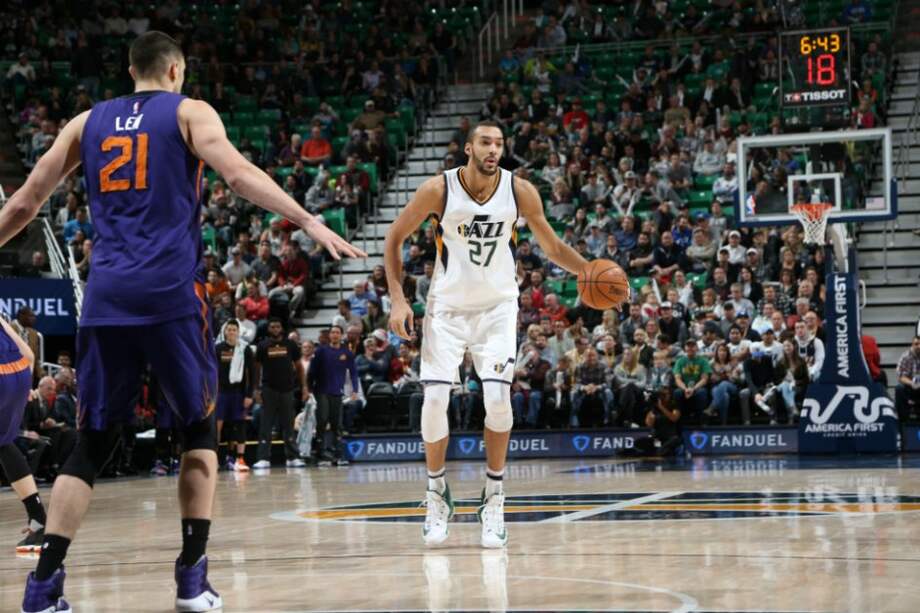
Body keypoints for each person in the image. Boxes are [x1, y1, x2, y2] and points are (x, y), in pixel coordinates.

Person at [0, 32, 364, 613]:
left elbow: (23, 204)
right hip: (171, 293)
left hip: (106, 297)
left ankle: (43, 587)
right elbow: (238, 175)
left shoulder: (85, 123)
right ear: (176, 71)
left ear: (131, 71)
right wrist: (308, 221)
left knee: (92, 442)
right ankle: (192, 581)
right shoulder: (190, 112)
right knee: (198, 430)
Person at [383, 120, 617, 549]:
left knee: (497, 399)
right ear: (468, 149)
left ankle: (493, 495)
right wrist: (398, 300)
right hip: (446, 309)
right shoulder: (438, 190)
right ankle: (437, 492)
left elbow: (552, 248)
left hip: (497, 308)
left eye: (499, 144)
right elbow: (394, 237)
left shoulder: (519, 190)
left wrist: (589, 272)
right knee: (433, 401)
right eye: (485, 143)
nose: (493, 149)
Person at [0, 316, 48, 554]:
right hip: (18, 373)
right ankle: (38, 520)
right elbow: (28, 354)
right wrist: (23, 384)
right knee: (3, 444)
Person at [253, 318, 307, 470]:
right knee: (266, 424)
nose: (275, 329)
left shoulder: (290, 345)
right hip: (268, 389)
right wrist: (256, 389)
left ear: (282, 328)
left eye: (278, 326)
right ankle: (263, 458)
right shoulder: (262, 345)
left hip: (287, 389)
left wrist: (304, 387)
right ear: (268, 329)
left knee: (288, 424)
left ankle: (292, 457)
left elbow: (299, 367)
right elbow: (256, 369)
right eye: (272, 327)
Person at [306, 325, 359, 465]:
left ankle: (338, 454)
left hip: (337, 392)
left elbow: (353, 372)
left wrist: (355, 390)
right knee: (322, 421)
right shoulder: (321, 351)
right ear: (329, 335)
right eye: (333, 332)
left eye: (337, 332)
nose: (335, 335)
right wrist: (309, 389)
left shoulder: (346, 353)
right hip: (321, 391)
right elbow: (311, 372)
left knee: (337, 424)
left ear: (341, 335)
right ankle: (320, 454)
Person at [214, 320, 255, 472]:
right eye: (229, 329)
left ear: (238, 332)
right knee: (217, 426)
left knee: (238, 424)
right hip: (221, 393)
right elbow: (211, 372)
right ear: (225, 332)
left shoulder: (245, 349)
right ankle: (214, 458)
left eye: (234, 329)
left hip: (238, 392)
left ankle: (238, 458)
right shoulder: (217, 348)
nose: (231, 332)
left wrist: (249, 394)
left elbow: (252, 373)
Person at [895, 336, 920, 422]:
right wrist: (912, 383)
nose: (919, 346)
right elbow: (900, 376)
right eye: (916, 344)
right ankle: (903, 421)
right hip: (910, 386)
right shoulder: (905, 356)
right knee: (899, 388)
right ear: (912, 345)